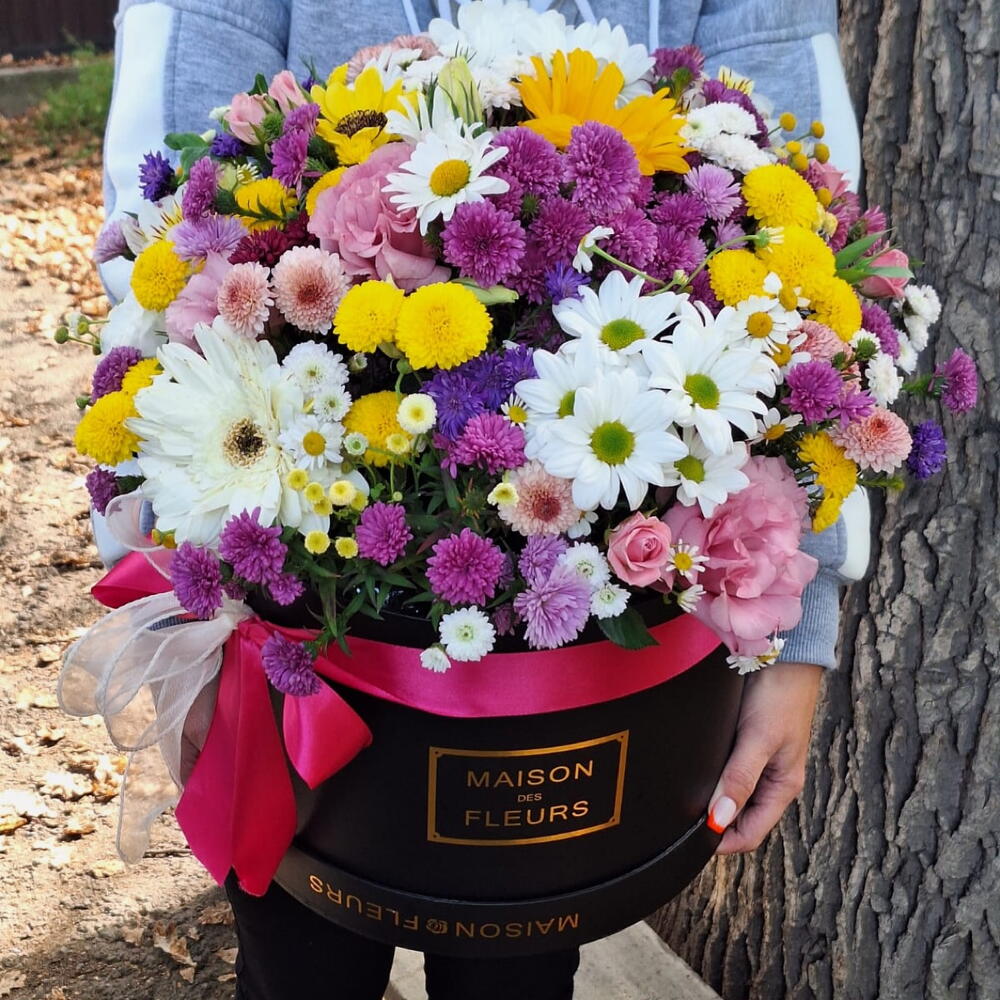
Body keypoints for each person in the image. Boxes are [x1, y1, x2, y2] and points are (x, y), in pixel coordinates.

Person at [96, 2, 871, 997]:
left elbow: (815, 296)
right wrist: (179, 618)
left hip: (593, 615)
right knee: (301, 948)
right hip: (292, 579)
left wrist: (794, 632)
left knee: (527, 954)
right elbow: (163, 251)